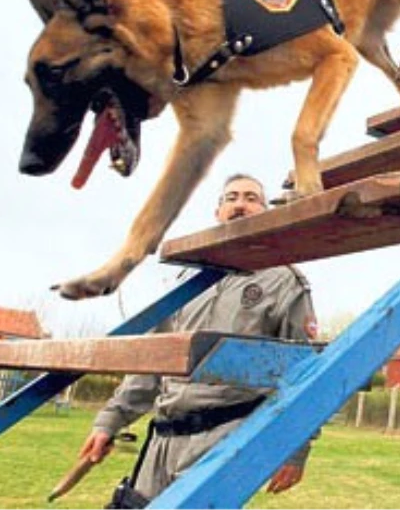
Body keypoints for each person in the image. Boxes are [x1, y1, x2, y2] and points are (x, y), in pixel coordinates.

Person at [79, 173, 319, 504]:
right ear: (217, 211)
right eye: (231, 197)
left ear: (265, 211)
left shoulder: (283, 281)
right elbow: (153, 361)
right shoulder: (185, 283)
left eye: (251, 198)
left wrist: (295, 448)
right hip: (163, 435)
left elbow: (304, 373)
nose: (240, 204)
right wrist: (111, 420)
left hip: (225, 433)